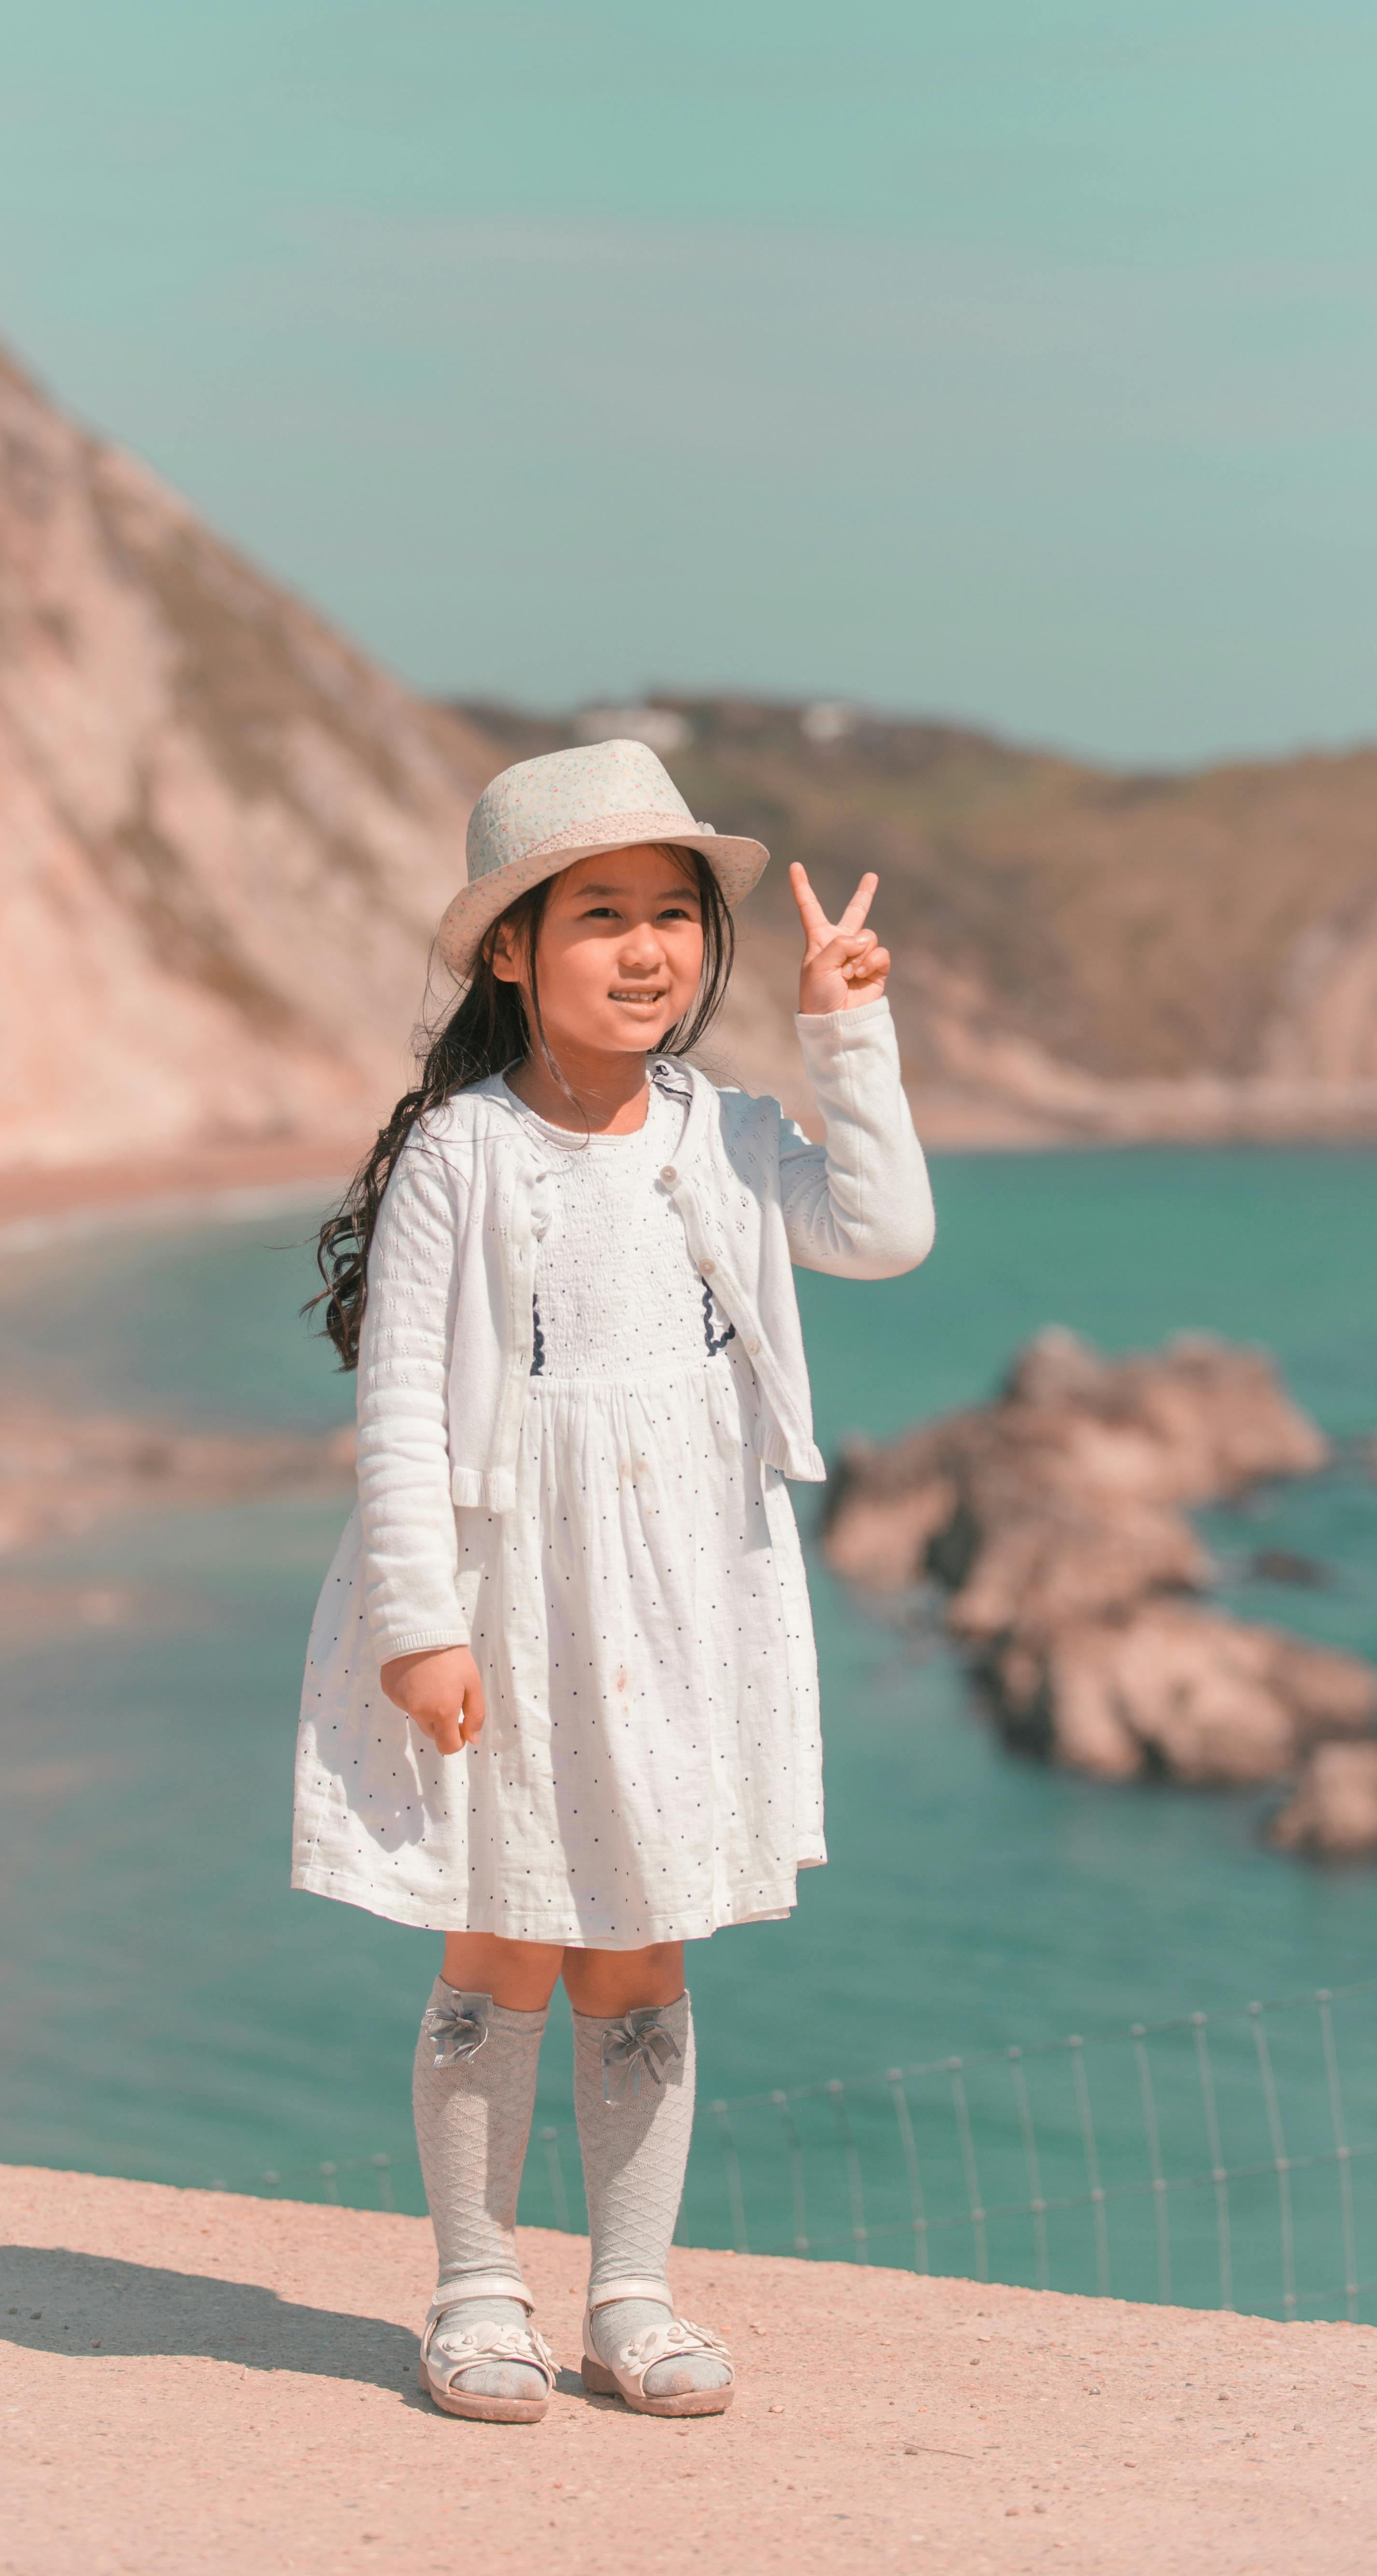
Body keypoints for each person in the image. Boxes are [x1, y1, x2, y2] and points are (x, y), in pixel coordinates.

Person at [294, 739, 934, 2423]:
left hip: (686, 1595)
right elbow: (406, 1406)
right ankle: (476, 2286)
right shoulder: (465, 1154)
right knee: (501, 1945)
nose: (648, 949)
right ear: (513, 948)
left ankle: (631, 2296)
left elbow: (882, 1234)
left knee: (643, 1953)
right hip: (511, 1597)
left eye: (673, 915)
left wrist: (847, 1032)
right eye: (601, 916)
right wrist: (420, 1626)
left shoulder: (728, 1129)